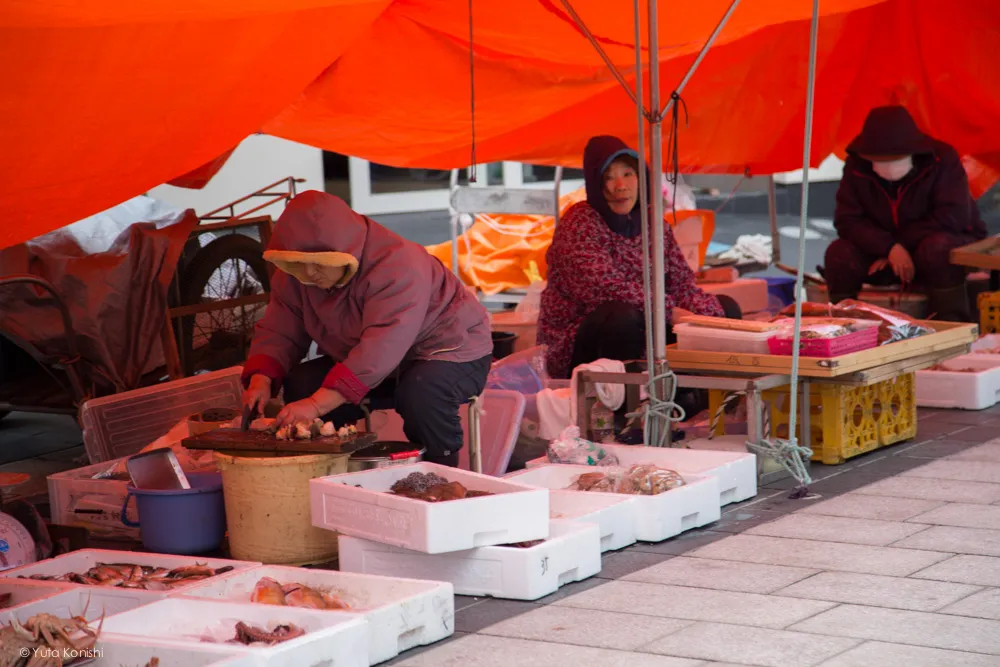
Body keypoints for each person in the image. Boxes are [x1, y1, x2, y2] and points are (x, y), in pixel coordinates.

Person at [240, 191, 493, 467]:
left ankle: (439, 476)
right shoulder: (294, 276)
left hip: (448, 348)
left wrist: (315, 405)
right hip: (370, 361)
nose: (309, 273)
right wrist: (261, 378)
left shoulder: (399, 265)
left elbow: (381, 347)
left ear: (344, 249)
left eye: (320, 262)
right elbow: (280, 328)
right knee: (302, 382)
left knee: (421, 393)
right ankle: (330, 471)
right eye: (299, 262)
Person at [537, 135, 741, 381]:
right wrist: (670, 311)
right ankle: (623, 407)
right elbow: (607, 289)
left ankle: (693, 396)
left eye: (628, 174)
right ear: (595, 183)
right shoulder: (580, 223)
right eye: (609, 177)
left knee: (726, 309)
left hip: (650, 323)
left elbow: (681, 282)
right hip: (581, 340)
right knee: (621, 316)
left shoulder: (653, 222)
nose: (620, 186)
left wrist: (706, 315)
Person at [824, 105, 986, 320]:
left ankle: (951, 324)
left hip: (935, 247)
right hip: (880, 252)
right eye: (880, 160)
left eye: (894, 159)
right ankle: (842, 324)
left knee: (936, 249)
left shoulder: (942, 159)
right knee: (839, 254)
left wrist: (898, 246)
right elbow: (847, 220)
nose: (887, 166)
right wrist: (888, 247)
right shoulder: (856, 165)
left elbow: (952, 216)